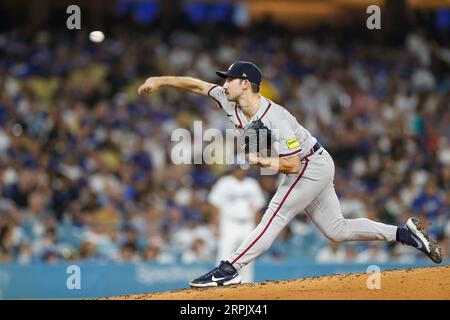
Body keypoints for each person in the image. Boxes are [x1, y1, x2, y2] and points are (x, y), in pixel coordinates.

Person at [138, 61, 443, 288]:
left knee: (275, 215)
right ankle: (405, 234)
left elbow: (293, 166)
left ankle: (229, 269)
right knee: (336, 229)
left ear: (245, 84)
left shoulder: (276, 118)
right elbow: (197, 85)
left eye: (229, 79)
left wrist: (259, 158)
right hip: (313, 163)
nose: (224, 84)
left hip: (309, 164)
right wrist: (159, 80)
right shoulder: (228, 101)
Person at [208, 164, 266, 283]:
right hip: (229, 223)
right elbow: (214, 205)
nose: (240, 170)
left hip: (248, 224)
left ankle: (246, 287)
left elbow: (258, 208)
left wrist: (258, 229)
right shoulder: (224, 182)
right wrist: (215, 225)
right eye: (238, 167)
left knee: (247, 258)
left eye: (243, 168)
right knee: (224, 256)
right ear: (233, 168)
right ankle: (220, 285)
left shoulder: (252, 183)